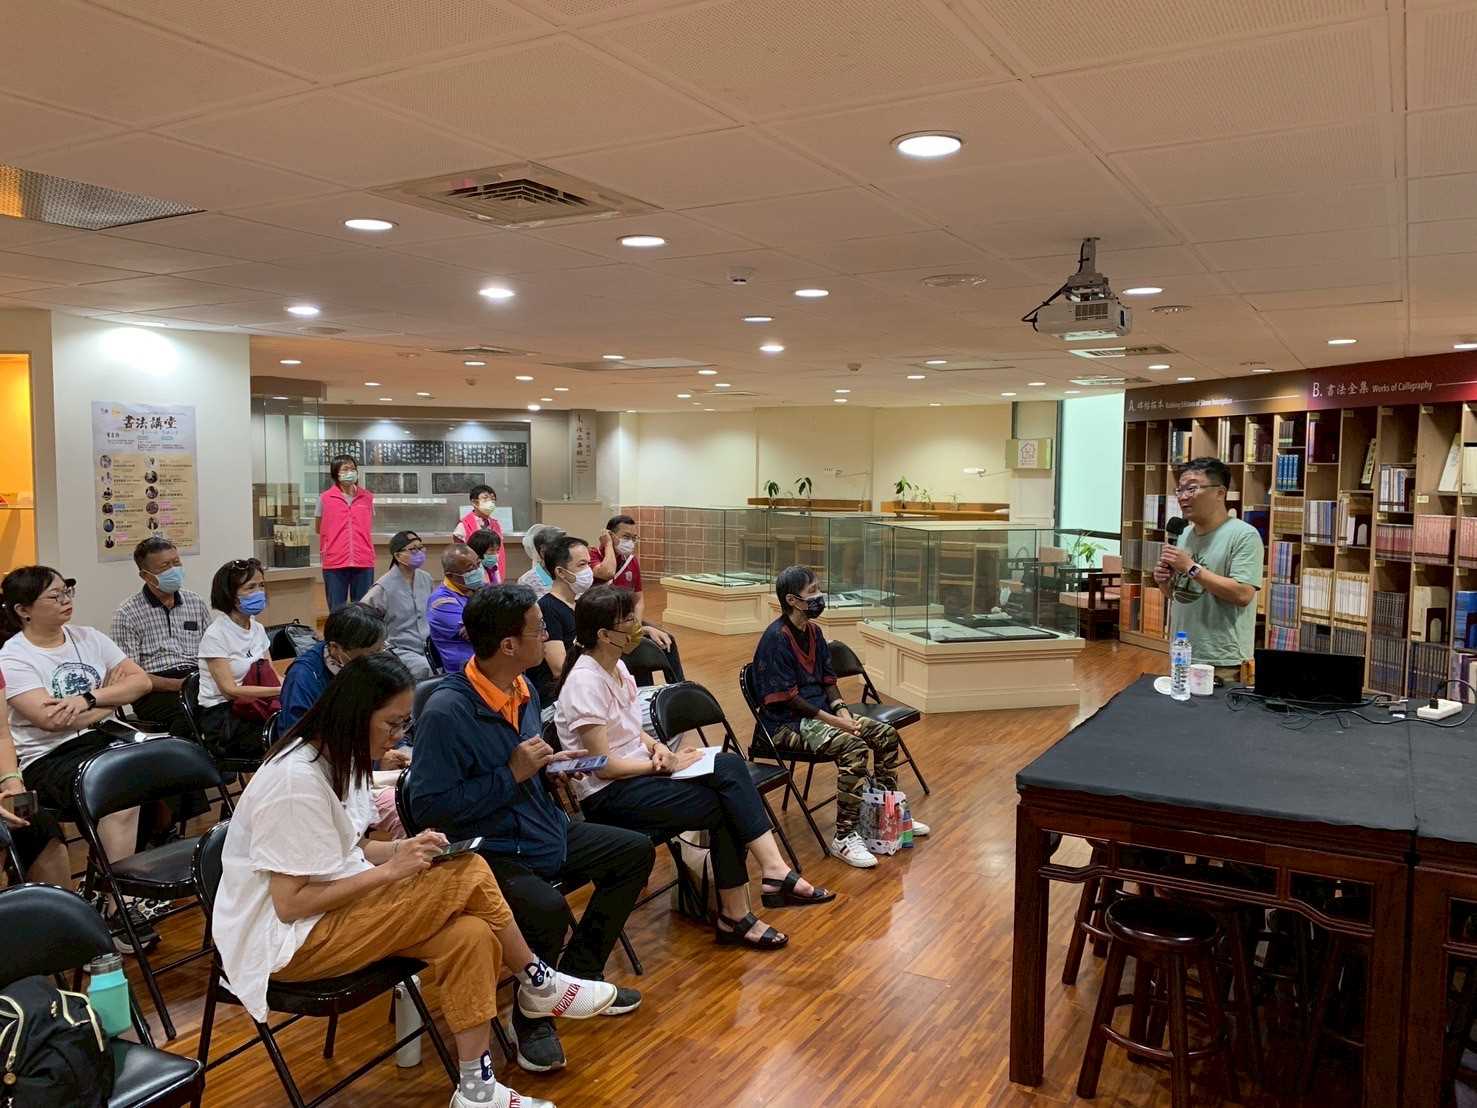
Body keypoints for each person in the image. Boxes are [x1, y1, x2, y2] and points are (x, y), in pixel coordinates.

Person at [213, 652, 616, 1108]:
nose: (399, 736)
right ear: (355, 715)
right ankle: (539, 982)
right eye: (392, 723)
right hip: (289, 943)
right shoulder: (294, 781)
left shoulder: (342, 759)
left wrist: (402, 850)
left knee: (471, 934)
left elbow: (350, 848)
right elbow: (291, 904)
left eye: (405, 723)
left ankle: (477, 1091)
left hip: (330, 914)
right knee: (468, 870)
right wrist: (392, 871)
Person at [407, 585, 653, 1075]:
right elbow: (429, 807)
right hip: (490, 849)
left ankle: (575, 977)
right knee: (546, 907)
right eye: (539, 629)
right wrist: (513, 774)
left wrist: (551, 768)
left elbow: (526, 765)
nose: (547, 636)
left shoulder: (524, 688)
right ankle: (531, 1019)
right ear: (508, 645)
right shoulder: (447, 712)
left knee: (634, 852)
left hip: (540, 828)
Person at [557, 585, 833, 950]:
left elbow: (630, 728)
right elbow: (603, 767)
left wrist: (657, 747)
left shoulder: (618, 666)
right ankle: (743, 906)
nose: (638, 626)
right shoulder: (584, 682)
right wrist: (660, 765)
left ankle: (768, 878)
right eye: (629, 621)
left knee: (729, 766)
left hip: (640, 772)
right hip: (610, 794)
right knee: (726, 805)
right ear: (605, 634)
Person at [0, 566, 155, 945]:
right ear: (23, 610)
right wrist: (111, 701)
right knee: (121, 786)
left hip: (101, 739)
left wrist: (88, 699)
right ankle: (116, 904)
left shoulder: (89, 637)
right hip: (48, 757)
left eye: (67, 591)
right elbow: (50, 721)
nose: (66, 600)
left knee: (154, 765)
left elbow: (142, 681)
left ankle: (114, 893)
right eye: (54, 596)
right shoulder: (14, 656)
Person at [752, 565, 930, 869]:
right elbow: (789, 699)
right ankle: (844, 836)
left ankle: (885, 815)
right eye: (812, 592)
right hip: (787, 724)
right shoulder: (776, 639)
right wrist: (836, 722)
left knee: (885, 734)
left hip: (822, 716)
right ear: (792, 600)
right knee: (853, 746)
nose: (819, 596)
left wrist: (843, 711)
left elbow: (828, 680)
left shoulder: (815, 632)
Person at [1154, 456, 1264, 683]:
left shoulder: (1244, 535)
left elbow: (1243, 594)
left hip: (1223, 660)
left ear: (1220, 493)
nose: (1183, 497)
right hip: (1183, 653)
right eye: (1180, 490)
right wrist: (1164, 581)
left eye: (1192, 488)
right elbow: (1178, 597)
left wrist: (1191, 568)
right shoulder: (1183, 534)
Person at [110, 536, 210, 736]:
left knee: (231, 704)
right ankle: (185, 755)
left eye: (176, 562)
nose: (174, 570)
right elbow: (130, 675)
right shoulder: (127, 613)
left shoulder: (195, 602)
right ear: (146, 576)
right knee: (191, 714)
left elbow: (212, 652)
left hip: (196, 679)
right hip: (153, 689)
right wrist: (178, 685)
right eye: (165, 566)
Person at [197, 559, 279, 761]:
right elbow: (230, 690)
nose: (259, 592)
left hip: (257, 706)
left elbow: (272, 674)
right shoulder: (216, 635)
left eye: (261, 585)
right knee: (289, 736)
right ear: (230, 595)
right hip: (224, 717)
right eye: (251, 587)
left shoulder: (257, 628)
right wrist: (279, 691)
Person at [276, 603, 388, 737]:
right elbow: (296, 737)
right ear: (335, 648)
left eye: (382, 649)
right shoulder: (303, 678)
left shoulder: (373, 663)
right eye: (372, 653)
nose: (379, 658)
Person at [591, 515, 677, 660]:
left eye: (633, 538)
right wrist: (608, 545)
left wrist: (636, 628)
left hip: (627, 619)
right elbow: (608, 572)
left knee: (667, 639)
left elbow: (638, 600)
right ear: (609, 535)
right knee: (644, 646)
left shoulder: (631, 561)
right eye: (626, 537)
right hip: (605, 621)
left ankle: (674, 676)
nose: (630, 542)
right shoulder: (593, 555)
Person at [528, 535, 591, 705]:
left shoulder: (580, 603)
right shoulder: (547, 608)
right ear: (561, 572)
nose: (588, 571)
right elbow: (558, 668)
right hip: (560, 695)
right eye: (582, 565)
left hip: (584, 685)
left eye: (589, 564)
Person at [362, 530, 434, 679]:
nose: (419, 552)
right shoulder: (383, 587)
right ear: (397, 555)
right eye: (413, 549)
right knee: (424, 668)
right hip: (399, 649)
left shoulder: (426, 579)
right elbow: (363, 617)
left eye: (420, 548)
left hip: (429, 646)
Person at [315, 454, 375, 610]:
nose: (350, 472)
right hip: (335, 562)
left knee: (363, 610)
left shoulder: (367, 497)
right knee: (337, 610)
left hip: (363, 560)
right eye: (345, 469)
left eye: (353, 469)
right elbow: (319, 528)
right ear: (336, 473)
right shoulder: (325, 498)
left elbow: (368, 525)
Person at [427, 544, 485, 674]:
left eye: (478, 564)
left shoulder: (480, 589)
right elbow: (480, 634)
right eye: (470, 569)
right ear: (450, 575)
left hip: (490, 664)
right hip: (464, 672)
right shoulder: (441, 602)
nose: (478, 571)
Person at [451, 485, 507, 583]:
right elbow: (459, 558)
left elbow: (500, 553)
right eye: (486, 498)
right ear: (474, 502)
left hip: (494, 573)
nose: (490, 502)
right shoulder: (463, 526)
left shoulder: (496, 525)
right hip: (473, 578)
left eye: (493, 499)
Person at [516, 525, 565, 599]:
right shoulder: (527, 582)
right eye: (561, 549)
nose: (567, 553)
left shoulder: (572, 572)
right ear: (543, 552)